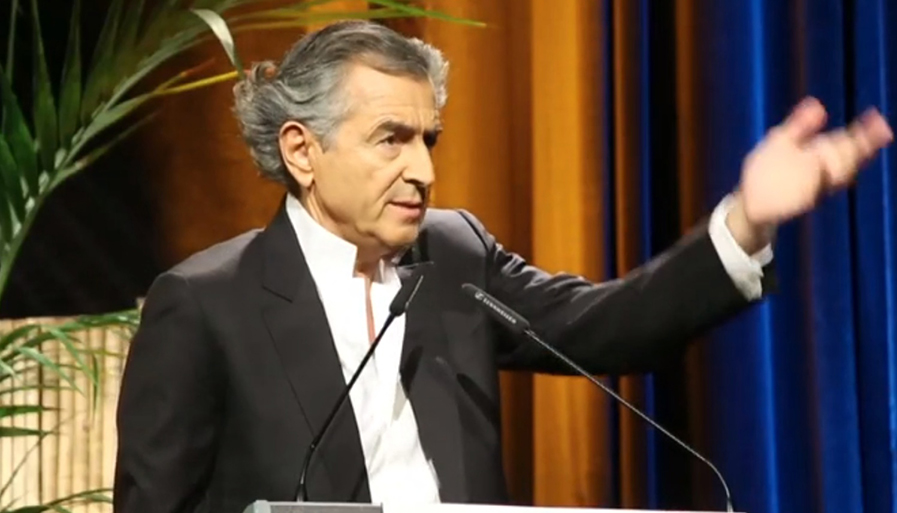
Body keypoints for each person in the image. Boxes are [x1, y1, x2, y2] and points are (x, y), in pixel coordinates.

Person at [112, 19, 893, 513]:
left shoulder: (452, 251)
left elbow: (608, 325)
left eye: (429, 140)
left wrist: (748, 216)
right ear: (301, 151)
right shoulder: (204, 304)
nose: (423, 170)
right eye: (391, 139)